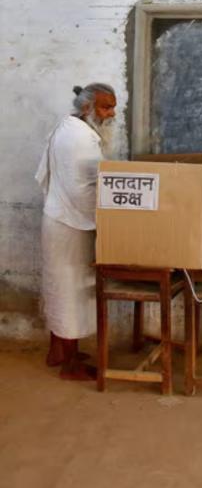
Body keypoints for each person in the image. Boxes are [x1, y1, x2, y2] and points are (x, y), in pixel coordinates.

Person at [35, 83, 116, 380]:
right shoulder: (78, 138)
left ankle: (58, 350)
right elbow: (80, 188)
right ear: (87, 108)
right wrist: (108, 219)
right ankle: (70, 365)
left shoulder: (68, 127)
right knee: (68, 293)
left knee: (61, 290)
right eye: (106, 107)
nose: (112, 113)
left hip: (63, 218)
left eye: (112, 106)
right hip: (70, 223)